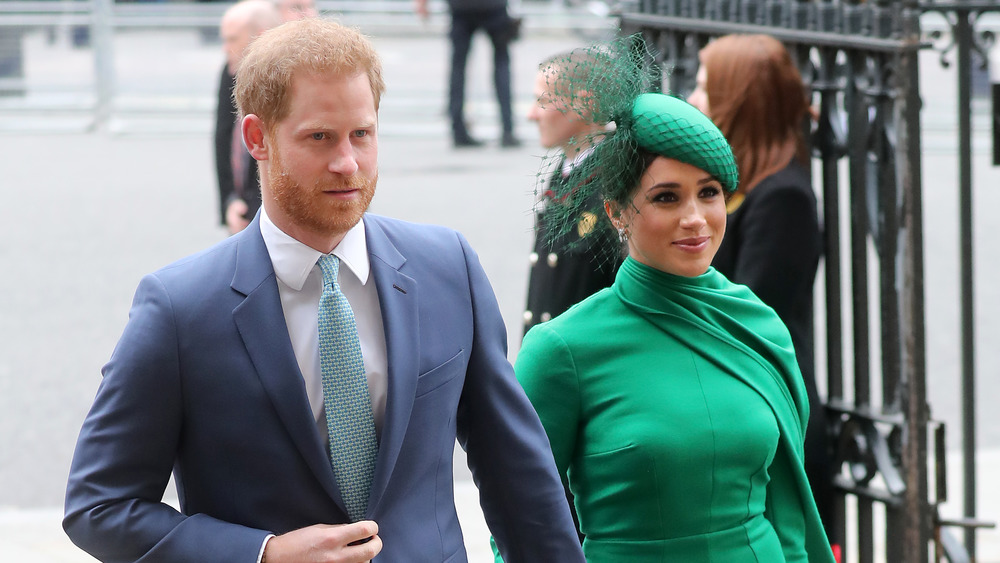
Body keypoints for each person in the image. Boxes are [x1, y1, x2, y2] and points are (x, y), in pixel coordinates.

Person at [64, 18, 586, 563]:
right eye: (320, 137)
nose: (348, 163)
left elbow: (518, 474)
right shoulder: (179, 308)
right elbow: (99, 504)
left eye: (362, 133)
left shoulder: (447, 268)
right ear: (256, 139)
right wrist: (261, 554)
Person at [498, 37, 835, 562]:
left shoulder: (758, 322)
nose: (695, 218)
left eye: (709, 192)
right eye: (666, 197)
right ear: (616, 213)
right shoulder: (562, 349)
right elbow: (519, 521)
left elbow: (787, 507)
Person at [687, 33, 832, 540]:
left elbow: (747, 315)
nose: (692, 99)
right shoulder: (736, 183)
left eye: (705, 87)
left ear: (739, 98)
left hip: (765, 413)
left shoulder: (783, 196)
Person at [214, 0, 283, 234]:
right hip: (242, 211)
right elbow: (223, 139)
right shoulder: (230, 70)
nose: (225, 48)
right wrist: (229, 202)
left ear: (260, 37)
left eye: (232, 39)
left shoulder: (293, 80)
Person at [414, 0, 521, 148]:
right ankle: (508, 130)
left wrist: (422, 3)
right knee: (501, 63)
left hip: (461, 7)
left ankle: (458, 130)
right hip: (494, 7)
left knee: (458, 68)